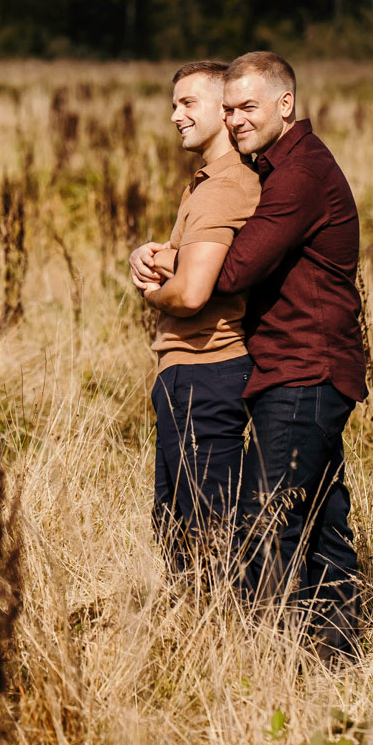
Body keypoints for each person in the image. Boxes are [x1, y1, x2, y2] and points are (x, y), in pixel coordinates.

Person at [213, 51, 366, 659]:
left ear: (286, 104)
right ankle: (339, 658)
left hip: (305, 370)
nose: (234, 121)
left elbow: (237, 270)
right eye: (228, 110)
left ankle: (270, 661)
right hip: (307, 370)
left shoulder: (300, 174)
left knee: (266, 518)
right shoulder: (284, 166)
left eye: (247, 107)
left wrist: (177, 260)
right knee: (323, 522)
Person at [126, 61, 262, 584]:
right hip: (192, 371)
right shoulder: (205, 185)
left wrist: (153, 286)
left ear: (224, 114)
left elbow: (190, 294)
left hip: (206, 371)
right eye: (173, 103)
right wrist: (156, 254)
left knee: (208, 527)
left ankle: (233, 645)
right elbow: (184, 263)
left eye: (189, 104)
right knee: (178, 524)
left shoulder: (223, 188)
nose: (175, 115)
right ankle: (197, 646)